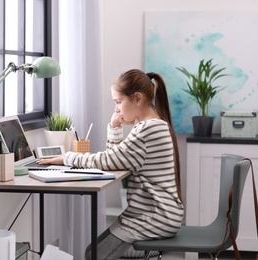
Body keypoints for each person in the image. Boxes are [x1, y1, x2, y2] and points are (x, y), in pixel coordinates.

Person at [37, 69, 184, 259]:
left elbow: (109, 160)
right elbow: (118, 160)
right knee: (92, 252)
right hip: (151, 213)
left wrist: (67, 158)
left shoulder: (149, 130)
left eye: (118, 102)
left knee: (95, 255)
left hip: (154, 217)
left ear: (137, 99)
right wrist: (115, 128)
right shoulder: (151, 126)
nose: (117, 109)